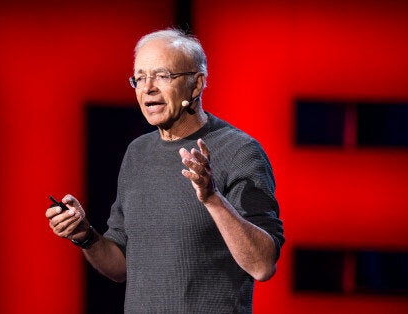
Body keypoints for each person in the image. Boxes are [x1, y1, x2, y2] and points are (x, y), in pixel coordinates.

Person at [45, 27, 284, 313]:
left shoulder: (239, 151)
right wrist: (84, 235)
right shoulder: (137, 153)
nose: (148, 88)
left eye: (162, 75)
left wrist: (212, 198)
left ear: (196, 84)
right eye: (140, 78)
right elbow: (120, 265)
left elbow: (262, 265)